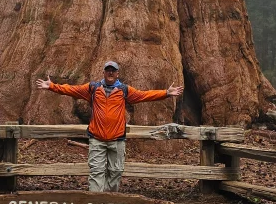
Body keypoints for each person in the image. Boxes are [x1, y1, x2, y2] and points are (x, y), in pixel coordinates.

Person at [36, 61, 183, 193]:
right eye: (108, 70)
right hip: (97, 139)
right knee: (96, 172)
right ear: (104, 72)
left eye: (113, 70)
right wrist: (51, 86)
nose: (110, 73)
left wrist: (166, 93)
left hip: (117, 139)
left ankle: (110, 202)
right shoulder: (93, 88)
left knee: (116, 172)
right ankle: (96, 203)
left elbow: (144, 95)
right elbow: (72, 90)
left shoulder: (124, 90)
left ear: (117, 73)